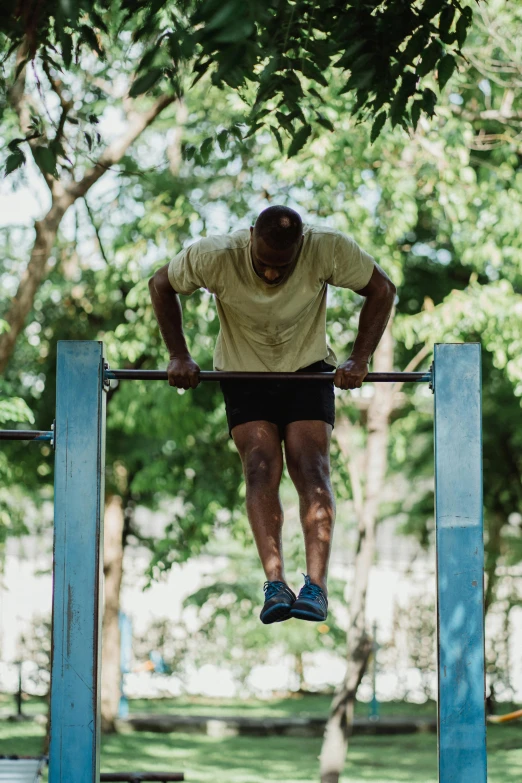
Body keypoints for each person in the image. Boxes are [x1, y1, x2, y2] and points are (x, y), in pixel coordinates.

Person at [149, 205, 395, 624]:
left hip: (306, 370)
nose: (271, 276)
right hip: (244, 372)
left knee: (311, 466)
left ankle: (315, 588)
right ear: (249, 238)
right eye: (264, 264)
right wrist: (178, 354)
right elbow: (160, 284)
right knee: (260, 468)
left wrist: (360, 358)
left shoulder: (327, 248)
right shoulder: (216, 255)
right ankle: (275, 583)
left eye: (283, 267)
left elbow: (382, 289)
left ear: (302, 246)